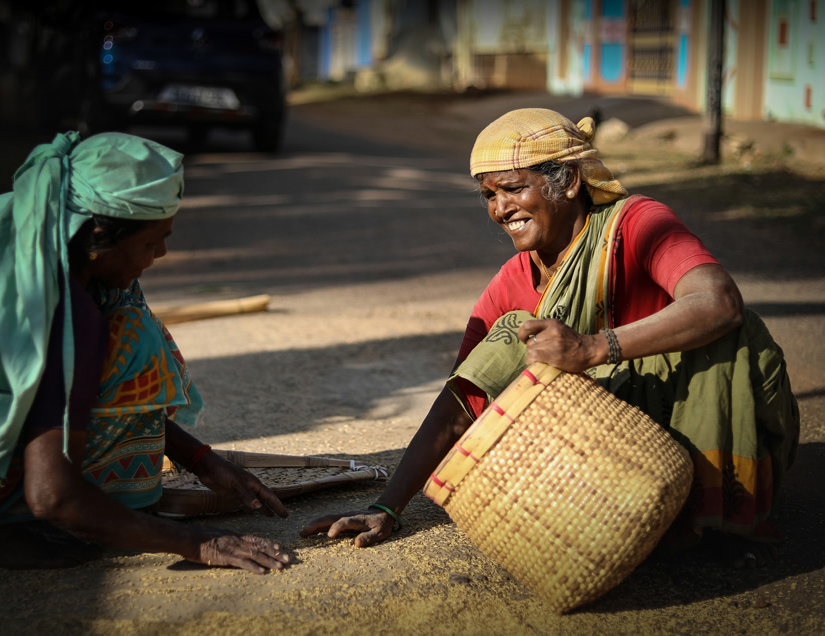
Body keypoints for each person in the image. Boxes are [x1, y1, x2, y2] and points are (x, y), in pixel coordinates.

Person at [301, 108, 800, 569]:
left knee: (733, 332)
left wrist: (593, 349)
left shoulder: (636, 224)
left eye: (514, 189)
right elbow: (462, 403)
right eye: (488, 195)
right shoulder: (513, 281)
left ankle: (714, 514)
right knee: (509, 337)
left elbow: (720, 301)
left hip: (677, 418)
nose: (500, 209)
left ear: (570, 182)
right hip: (607, 454)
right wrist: (387, 505)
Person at [0, 131, 290, 573]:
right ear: (97, 235)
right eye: (151, 243)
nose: (162, 253)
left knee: (121, 298)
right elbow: (52, 495)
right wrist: (198, 543)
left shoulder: (30, 217)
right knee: (134, 336)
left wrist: (201, 460)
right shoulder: (63, 313)